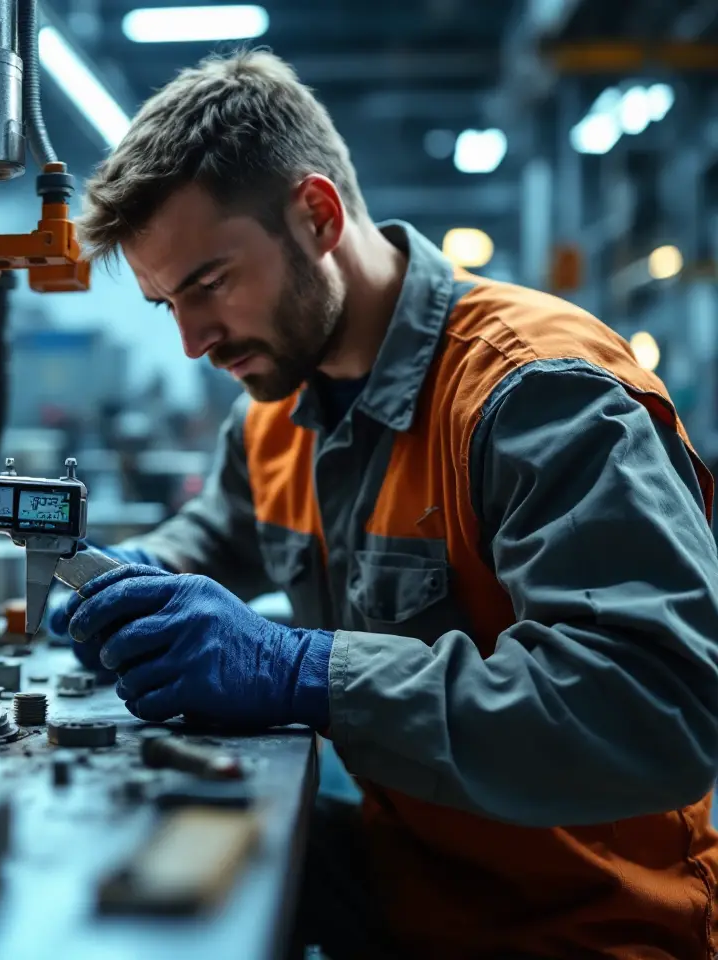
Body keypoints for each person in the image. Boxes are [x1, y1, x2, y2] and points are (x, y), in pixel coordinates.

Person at [47, 49, 718, 959]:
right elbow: (218, 535)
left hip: (584, 929)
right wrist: (134, 578)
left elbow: (657, 708)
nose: (194, 341)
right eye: (167, 303)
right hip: (407, 891)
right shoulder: (280, 408)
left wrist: (304, 670)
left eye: (206, 285)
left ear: (317, 216)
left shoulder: (533, 393)